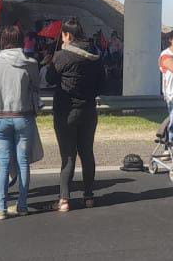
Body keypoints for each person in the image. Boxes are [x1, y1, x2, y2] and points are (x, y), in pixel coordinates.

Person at [48, 18, 105, 211]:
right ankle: (88, 196)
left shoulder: (61, 56)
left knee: (68, 155)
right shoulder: (95, 55)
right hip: (88, 110)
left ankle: (64, 199)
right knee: (87, 153)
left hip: (65, 111)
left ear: (68, 35)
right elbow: (102, 84)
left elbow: (49, 78)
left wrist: (50, 61)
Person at [0, 25, 41, 220]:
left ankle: (1, 208)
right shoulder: (31, 63)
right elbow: (36, 86)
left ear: (2, 41)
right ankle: (22, 205)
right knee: (23, 162)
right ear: (21, 40)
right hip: (23, 116)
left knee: (3, 163)